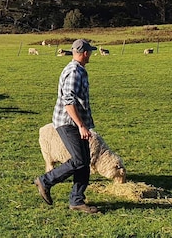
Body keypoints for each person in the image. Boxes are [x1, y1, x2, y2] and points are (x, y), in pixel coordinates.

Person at [34, 38, 101, 214]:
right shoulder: (74, 72)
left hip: (76, 122)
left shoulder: (78, 70)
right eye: (90, 52)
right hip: (68, 123)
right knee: (79, 160)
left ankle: (77, 200)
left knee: (85, 162)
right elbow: (68, 101)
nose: (91, 55)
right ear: (85, 53)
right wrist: (80, 125)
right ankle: (46, 181)